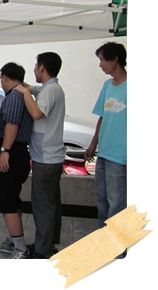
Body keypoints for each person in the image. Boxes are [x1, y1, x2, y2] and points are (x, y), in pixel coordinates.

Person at [13, 52, 65, 259]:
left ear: (42, 68)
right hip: (48, 157)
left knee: (43, 206)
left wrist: (25, 93)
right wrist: (11, 79)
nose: (34, 69)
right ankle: (47, 243)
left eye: (35, 66)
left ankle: (43, 251)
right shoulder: (48, 88)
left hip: (46, 158)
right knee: (50, 204)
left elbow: (36, 113)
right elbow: (31, 88)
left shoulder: (51, 90)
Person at [84, 42, 127, 258]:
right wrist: (93, 144)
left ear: (115, 58)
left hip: (121, 155)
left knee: (117, 203)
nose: (100, 65)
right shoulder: (107, 85)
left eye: (102, 59)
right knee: (102, 200)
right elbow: (102, 116)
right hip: (104, 152)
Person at [0, 63, 34, 259]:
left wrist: (4, 150)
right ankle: (14, 241)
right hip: (16, 150)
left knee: (7, 200)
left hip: (12, 151)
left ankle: (20, 248)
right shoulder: (22, 91)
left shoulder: (15, 96)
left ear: (6, 78)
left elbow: (12, 124)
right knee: (12, 199)